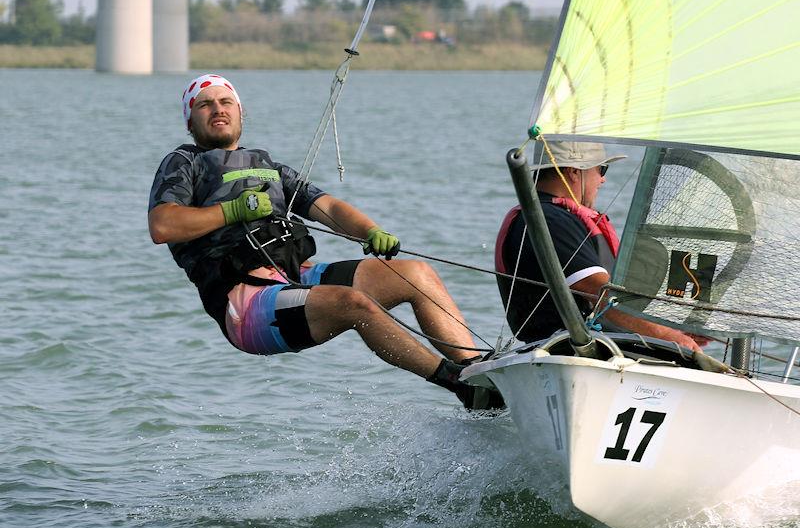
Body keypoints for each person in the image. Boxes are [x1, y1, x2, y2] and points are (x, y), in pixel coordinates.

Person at [148, 73, 503, 409]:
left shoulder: (268, 167)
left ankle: (476, 372)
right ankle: (459, 386)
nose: (218, 109)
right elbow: (162, 225)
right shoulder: (183, 163)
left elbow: (327, 205)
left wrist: (370, 231)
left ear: (241, 112)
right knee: (353, 303)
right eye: (205, 105)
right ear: (190, 122)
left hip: (295, 279)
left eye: (226, 101)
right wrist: (233, 210)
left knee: (415, 273)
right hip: (246, 304)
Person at [495, 140, 703, 351]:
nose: (602, 179)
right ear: (573, 171)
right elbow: (602, 293)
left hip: (593, 349)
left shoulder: (551, 216)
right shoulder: (550, 221)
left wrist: (675, 328)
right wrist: (668, 335)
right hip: (574, 351)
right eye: (601, 169)